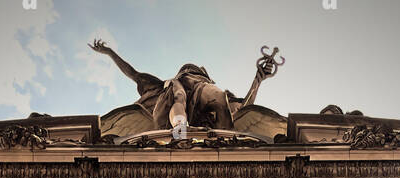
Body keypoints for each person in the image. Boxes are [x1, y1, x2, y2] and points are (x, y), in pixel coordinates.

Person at [88, 39, 276, 133]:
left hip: (209, 105)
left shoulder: (214, 92)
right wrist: (110, 52)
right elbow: (133, 74)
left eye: (192, 69)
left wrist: (258, 80)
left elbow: (243, 109)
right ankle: (179, 134)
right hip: (172, 103)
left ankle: (225, 139)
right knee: (177, 93)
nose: (189, 69)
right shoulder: (166, 86)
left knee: (219, 99)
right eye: (186, 69)